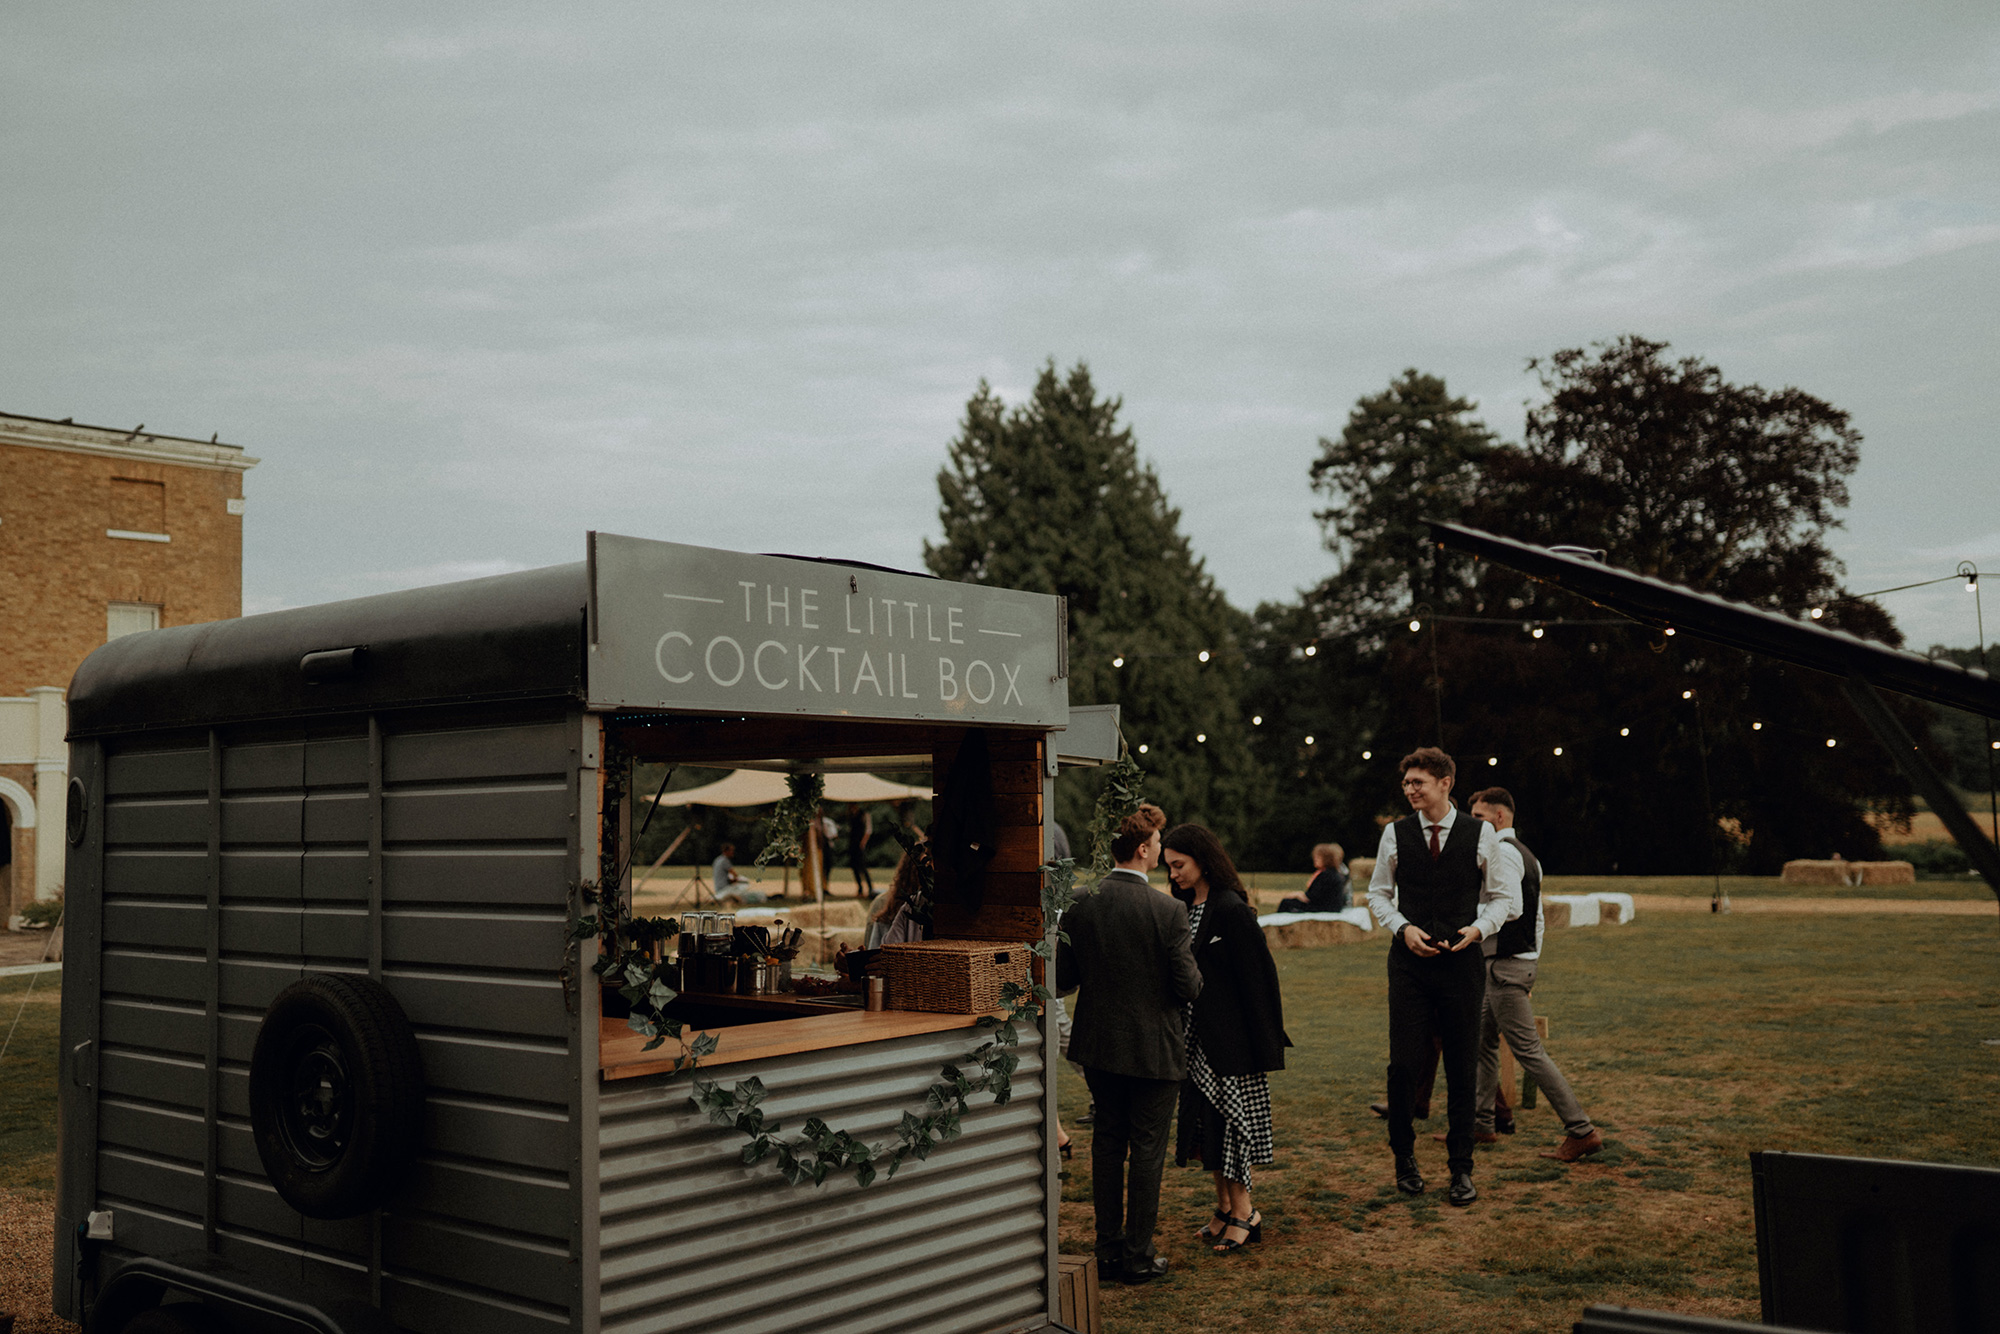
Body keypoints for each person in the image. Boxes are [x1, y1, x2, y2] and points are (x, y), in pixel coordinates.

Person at [1366, 746, 1521, 1207]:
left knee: (1460, 1065)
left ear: (1444, 783)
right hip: (1409, 965)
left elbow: (1501, 900)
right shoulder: (1395, 834)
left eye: (1418, 783)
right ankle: (1404, 1161)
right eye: (1407, 783)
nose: (1410, 790)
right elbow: (1377, 894)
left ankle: (1461, 1169)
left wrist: (1477, 929)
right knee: (1404, 1066)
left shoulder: (1481, 835)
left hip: (1461, 965)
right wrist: (1403, 928)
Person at [1056, 803, 1200, 1285]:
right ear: (1143, 849)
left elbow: (1061, 978)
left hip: (1098, 1046)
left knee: (1107, 1144)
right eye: (1158, 843)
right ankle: (1138, 1256)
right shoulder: (1169, 909)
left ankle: (1108, 1250)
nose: (1161, 850)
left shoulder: (1080, 901)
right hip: (1154, 1051)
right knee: (1146, 1151)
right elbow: (1187, 988)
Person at [1162, 823, 1290, 1253]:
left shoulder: (1231, 909)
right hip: (1193, 1042)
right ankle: (1222, 1208)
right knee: (1206, 1129)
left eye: (1179, 865)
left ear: (1203, 859)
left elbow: (1260, 980)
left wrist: (1262, 1046)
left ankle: (1246, 1212)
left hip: (1231, 1045)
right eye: (1170, 866)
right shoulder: (1181, 907)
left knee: (1231, 1128)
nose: (1174, 873)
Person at [1464, 787, 1602, 1162]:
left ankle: (1581, 1129)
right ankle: (1481, 1125)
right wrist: (1530, 960)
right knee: (1482, 1044)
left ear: (1499, 818)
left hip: (1505, 966)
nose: (1472, 824)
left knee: (1529, 1052)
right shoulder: (1528, 857)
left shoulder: (1504, 854)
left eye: (1478, 817)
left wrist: (1472, 923)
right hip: (1509, 963)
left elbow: (1511, 908)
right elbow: (1537, 920)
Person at [1277, 842, 1349, 913]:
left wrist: (1298, 895)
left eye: (1318, 857)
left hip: (1324, 908)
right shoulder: (1331, 873)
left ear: (1326, 858)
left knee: (1286, 903)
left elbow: (1313, 897)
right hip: (1327, 906)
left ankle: (1279, 923)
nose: (1315, 859)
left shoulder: (1327, 875)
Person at [845, 804, 875, 899]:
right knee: (854, 867)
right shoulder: (851, 816)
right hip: (852, 843)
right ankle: (860, 889)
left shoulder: (864, 815)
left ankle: (870, 888)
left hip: (860, 844)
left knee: (863, 867)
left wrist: (863, 842)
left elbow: (868, 830)